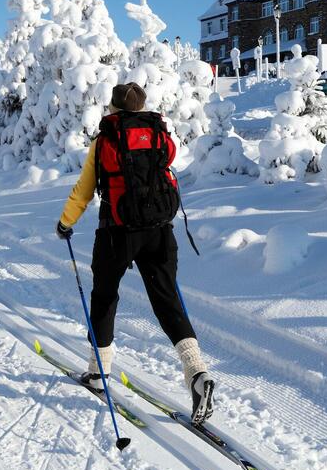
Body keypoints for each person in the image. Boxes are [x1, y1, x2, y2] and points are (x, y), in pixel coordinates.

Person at [55, 83, 214, 424]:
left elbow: (83, 189)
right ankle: (197, 372)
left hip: (116, 232)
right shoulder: (158, 133)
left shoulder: (105, 140)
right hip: (159, 230)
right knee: (168, 301)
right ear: (142, 107)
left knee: (105, 297)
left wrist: (66, 222)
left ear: (113, 108)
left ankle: (99, 374)